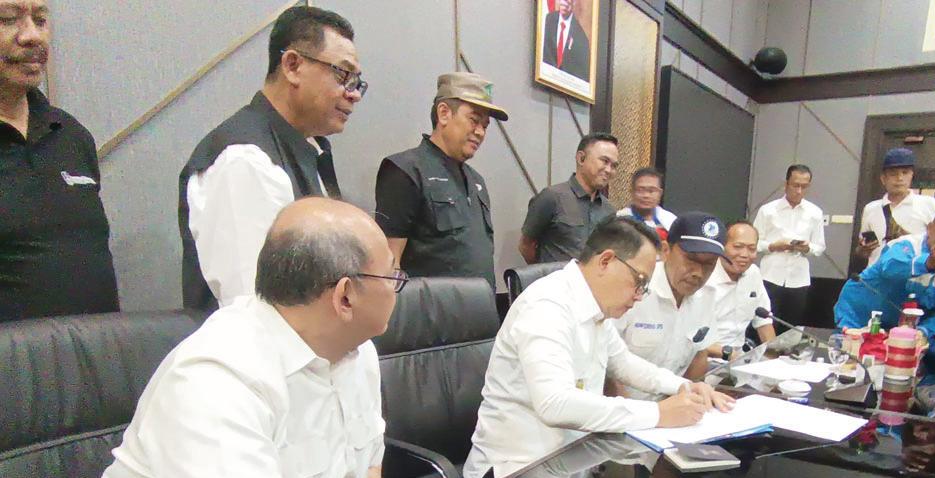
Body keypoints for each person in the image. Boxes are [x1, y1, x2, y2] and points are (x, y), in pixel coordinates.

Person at [78, 198, 585, 478]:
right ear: (345, 297)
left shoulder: (353, 348)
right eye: (393, 277)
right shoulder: (217, 377)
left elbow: (367, 468)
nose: (400, 288)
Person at [464, 216, 736, 478]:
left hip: (570, 464)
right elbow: (555, 404)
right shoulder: (547, 305)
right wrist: (658, 413)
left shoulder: (595, 306)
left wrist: (684, 387)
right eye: (639, 281)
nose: (640, 295)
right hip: (513, 473)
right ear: (606, 261)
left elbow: (625, 363)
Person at [179, 6, 365, 310]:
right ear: (292, 66)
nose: (353, 93)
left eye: (356, 82)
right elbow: (254, 307)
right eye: (343, 74)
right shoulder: (243, 159)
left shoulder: (308, 149)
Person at [0, 0, 118, 322]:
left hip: (96, 349)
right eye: (8, 19)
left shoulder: (70, 135)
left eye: (40, 20)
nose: (33, 36)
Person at [374, 72, 508, 287]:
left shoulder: (477, 182)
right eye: (474, 120)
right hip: (430, 307)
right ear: (444, 113)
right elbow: (389, 264)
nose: (480, 132)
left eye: (485, 125)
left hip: (481, 305)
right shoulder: (405, 170)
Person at [835, 204, 935, 386]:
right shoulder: (905, 245)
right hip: (860, 320)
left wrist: (923, 331)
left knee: (897, 383)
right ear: (930, 228)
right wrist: (929, 263)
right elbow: (889, 269)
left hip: (903, 332)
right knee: (851, 379)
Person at [614, 212, 726, 387]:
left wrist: (695, 395)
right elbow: (608, 363)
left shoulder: (707, 295)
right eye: (691, 259)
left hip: (674, 395)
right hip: (625, 400)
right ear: (666, 251)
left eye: (709, 264)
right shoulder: (635, 286)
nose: (698, 272)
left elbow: (699, 354)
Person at [519, 132, 618, 264]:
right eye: (604, 161)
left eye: (614, 165)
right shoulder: (551, 197)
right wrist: (545, 272)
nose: (609, 170)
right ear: (581, 158)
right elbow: (526, 245)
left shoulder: (609, 211)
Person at [753, 164, 826, 330]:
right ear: (785, 184)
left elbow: (820, 247)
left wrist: (807, 248)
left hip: (798, 278)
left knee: (793, 327)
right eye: (795, 185)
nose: (799, 191)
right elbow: (754, 243)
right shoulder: (767, 210)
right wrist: (773, 246)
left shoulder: (815, 212)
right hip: (770, 275)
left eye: (804, 186)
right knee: (766, 323)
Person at [857, 148, 935, 265]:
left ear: (911, 176)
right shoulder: (871, 208)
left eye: (905, 173)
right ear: (883, 178)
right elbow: (863, 253)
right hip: (877, 273)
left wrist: (909, 240)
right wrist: (864, 249)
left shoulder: (929, 204)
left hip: (914, 273)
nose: (899, 178)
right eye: (893, 174)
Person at [705, 221, 775, 360]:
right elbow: (687, 339)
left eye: (751, 249)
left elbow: (764, 322)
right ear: (721, 246)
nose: (744, 254)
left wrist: (774, 357)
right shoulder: (704, 277)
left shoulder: (753, 273)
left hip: (740, 357)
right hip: (706, 358)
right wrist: (730, 355)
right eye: (738, 247)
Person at [616, 166, 676, 241]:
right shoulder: (619, 219)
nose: (646, 195)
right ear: (632, 192)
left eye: (651, 191)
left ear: (660, 193)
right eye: (641, 190)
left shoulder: (670, 220)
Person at [541, 0, 590, 79]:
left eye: (568, 1)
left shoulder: (581, 38)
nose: (564, 3)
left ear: (574, 2)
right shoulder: (548, 19)